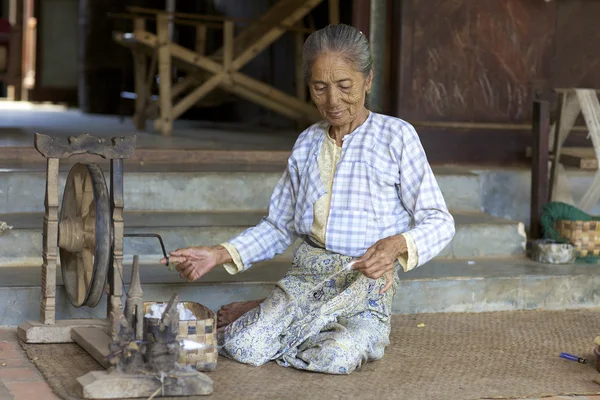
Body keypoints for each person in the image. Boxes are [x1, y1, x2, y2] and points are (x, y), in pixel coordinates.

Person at [161, 24, 455, 375]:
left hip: (363, 285)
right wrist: (217, 253)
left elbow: (440, 220)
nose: (332, 100)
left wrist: (394, 246)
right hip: (307, 275)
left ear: (368, 80)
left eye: (344, 86)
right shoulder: (306, 143)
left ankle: (272, 313)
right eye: (320, 87)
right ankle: (277, 313)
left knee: (335, 357)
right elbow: (278, 225)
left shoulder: (397, 136)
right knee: (242, 345)